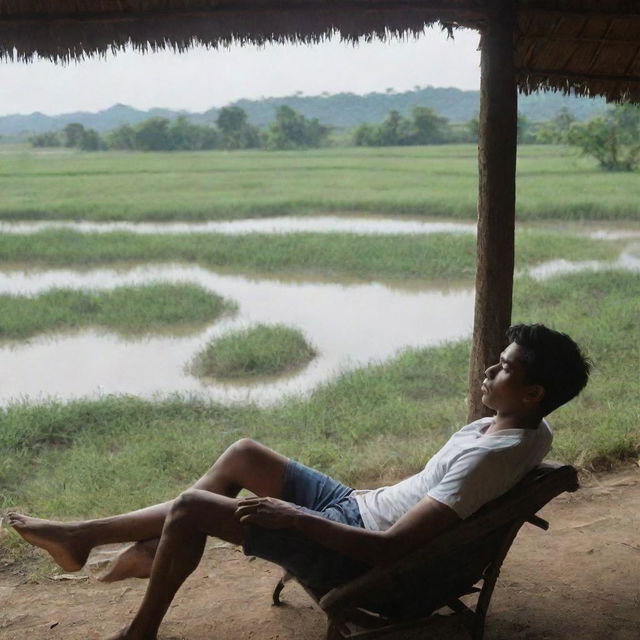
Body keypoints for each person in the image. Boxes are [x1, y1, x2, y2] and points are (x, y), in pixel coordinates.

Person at [6, 323, 591, 640]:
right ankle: (99, 538)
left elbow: (391, 550)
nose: (490, 369)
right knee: (243, 454)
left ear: (534, 393)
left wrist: (294, 518)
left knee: (191, 507)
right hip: (357, 507)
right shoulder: (525, 427)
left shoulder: (490, 457)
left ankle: (139, 623)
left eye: (504, 366)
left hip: (357, 549)